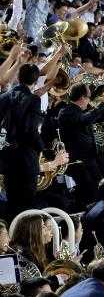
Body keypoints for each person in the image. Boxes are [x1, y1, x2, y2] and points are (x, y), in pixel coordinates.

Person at [0, 63, 53, 219]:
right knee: (25, 207)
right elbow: (30, 131)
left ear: (18, 77)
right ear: (35, 81)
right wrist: (43, 148)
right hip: (25, 160)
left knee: (11, 204)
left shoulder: (2, 97)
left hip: (5, 158)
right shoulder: (33, 100)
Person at [56, 83, 104, 210]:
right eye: (89, 97)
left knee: (98, 189)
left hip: (88, 159)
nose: (90, 100)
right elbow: (83, 120)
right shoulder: (67, 111)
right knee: (91, 192)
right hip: (79, 161)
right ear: (82, 98)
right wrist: (103, 104)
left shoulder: (79, 112)